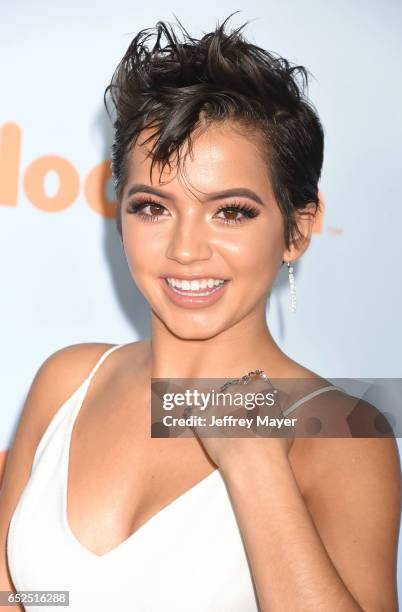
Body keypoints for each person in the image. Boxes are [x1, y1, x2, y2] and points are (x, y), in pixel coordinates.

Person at [1, 14, 400, 612]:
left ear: (298, 229)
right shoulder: (68, 380)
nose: (186, 250)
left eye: (231, 211)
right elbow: (24, 595)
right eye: (153, 208)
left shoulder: (345, 436)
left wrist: (255, 469)